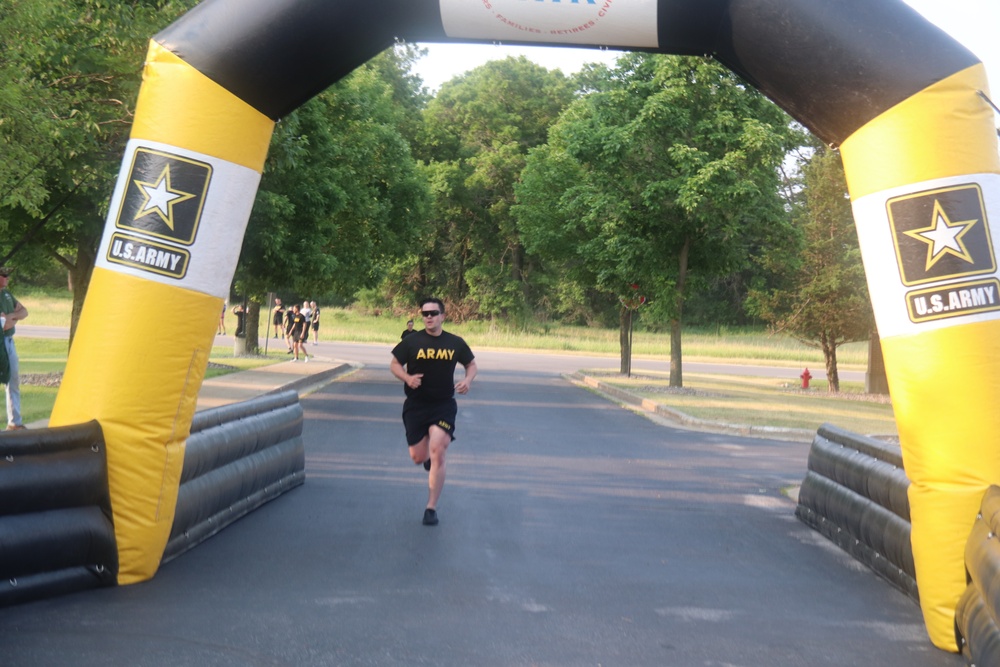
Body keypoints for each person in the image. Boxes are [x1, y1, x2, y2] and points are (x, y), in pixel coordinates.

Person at [390, 298, 477, 526]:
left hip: (443, 404)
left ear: (443, 316)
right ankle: (426, 458)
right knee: (418, 457)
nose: (428, 317)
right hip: (416, 406)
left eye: (433, 313)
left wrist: (468, 380)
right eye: (425, 313)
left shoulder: (455, 342)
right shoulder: (412, 341)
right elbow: (394, 364)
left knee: (439, 447)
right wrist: (407, 377)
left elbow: (472, 364)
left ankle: (431, 508)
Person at [0, 267, 29, 430]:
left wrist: (12, 317)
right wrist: (9, 320)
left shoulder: (7, 294)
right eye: (4, 275)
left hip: (9, 341)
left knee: (13, 380)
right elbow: (2, 326)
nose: (7, 278)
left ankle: (14, 422)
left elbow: (24, 312)